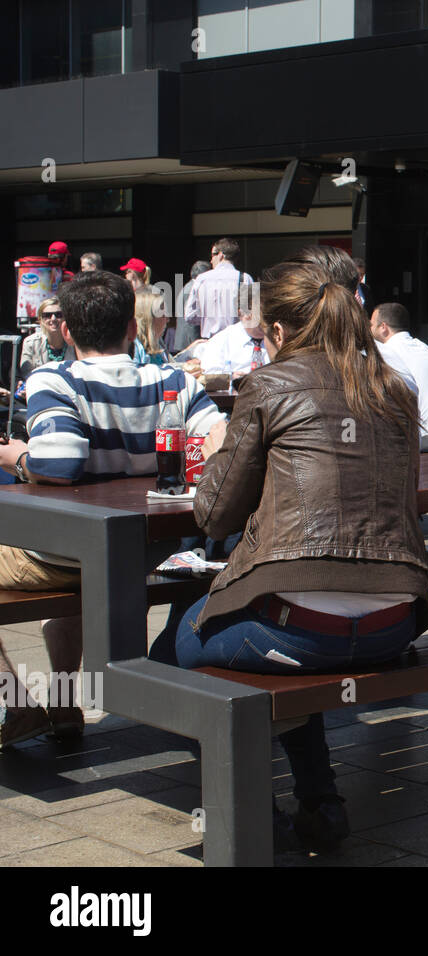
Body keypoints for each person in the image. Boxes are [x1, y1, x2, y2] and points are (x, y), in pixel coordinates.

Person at [149, 259, 428, 852]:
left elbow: (214, 515)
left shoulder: (270, 385)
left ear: (277, 334)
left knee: (166, 651)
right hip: (395, 625)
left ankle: (253, 804)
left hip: (299, 630)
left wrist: (224, 444)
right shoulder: (395, 389)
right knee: (293, 644)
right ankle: (320, 802)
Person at [0, 271, 222, 748]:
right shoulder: (175, 379)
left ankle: (16, 705)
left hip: (67, 556)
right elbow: (223, 448)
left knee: (58, 550)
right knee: (76, 559)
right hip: (149, 554)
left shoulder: (55, 380)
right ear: (129, 328)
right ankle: (61, 706)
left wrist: (13, 456)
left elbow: (60, 461)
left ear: (69, 332)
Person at [370, 302, 428, 451]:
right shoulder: (423, 347)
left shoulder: (388, 351)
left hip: (417, 437)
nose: (369, 329)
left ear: (383, 327)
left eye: (371, 325)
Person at [185, 238, 253, 339]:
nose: (211, 260)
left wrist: (208, 318)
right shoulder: (246, 278)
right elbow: (253, 316)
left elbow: (189, 315)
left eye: (212, 255)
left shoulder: (202, 279)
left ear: (221, 255)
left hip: (210, 341)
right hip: (236, 341)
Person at [199, 283, 269, 376]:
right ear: (242, 313)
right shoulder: (222, 340)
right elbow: (209, 374)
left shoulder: (278, 339)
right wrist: (232, 378)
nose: (266, 321)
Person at [18, 298, 69, 380]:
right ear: (40, 319)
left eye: (58, 314)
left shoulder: (75, 342)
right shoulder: (30, 343)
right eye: (47, 315)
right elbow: (27, 375)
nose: (53, 318)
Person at [173, 260, 212, 353]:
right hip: (188, 342)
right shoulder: (192, 289)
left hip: (186, 341)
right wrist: (195, 343)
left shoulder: (190, 286)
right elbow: (191, 320)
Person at [132, 288, 170, 366]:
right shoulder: (133, 348)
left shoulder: (158, 343)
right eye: (163, 315)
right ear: (149, 319)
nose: (167, 320)